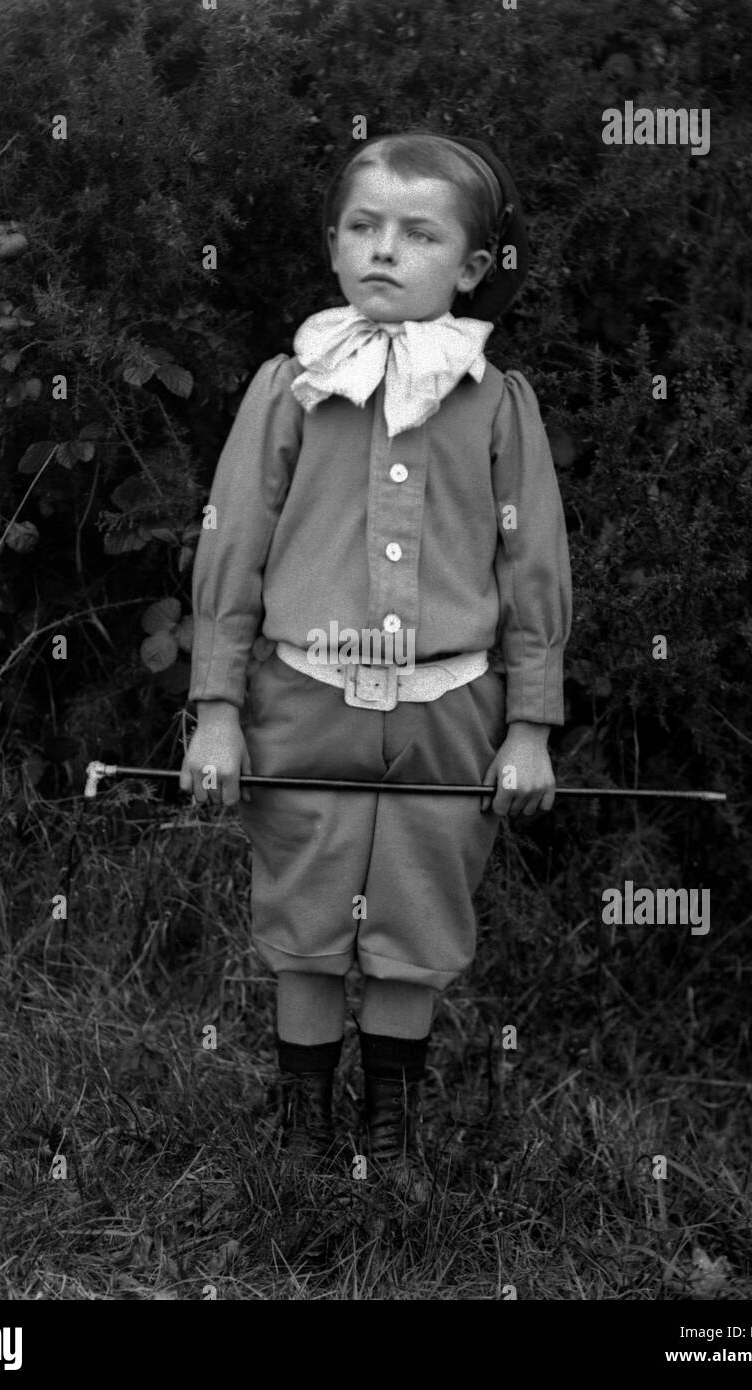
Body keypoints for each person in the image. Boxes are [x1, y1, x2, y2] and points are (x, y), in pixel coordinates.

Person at [180, 130, 572, 1198]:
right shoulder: (288, 386)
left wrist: (529, 727)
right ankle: (304, 1144)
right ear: (332, 244)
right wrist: (216, 711)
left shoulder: (497, 401)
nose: (384, 250)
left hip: (452, 710)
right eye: (362, 227)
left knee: (413, 925)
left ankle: (389, 1145)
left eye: (417, 232)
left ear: (472, 265)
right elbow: (233, 543)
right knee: (307, 925)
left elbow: (532, 564)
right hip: (302, 703)